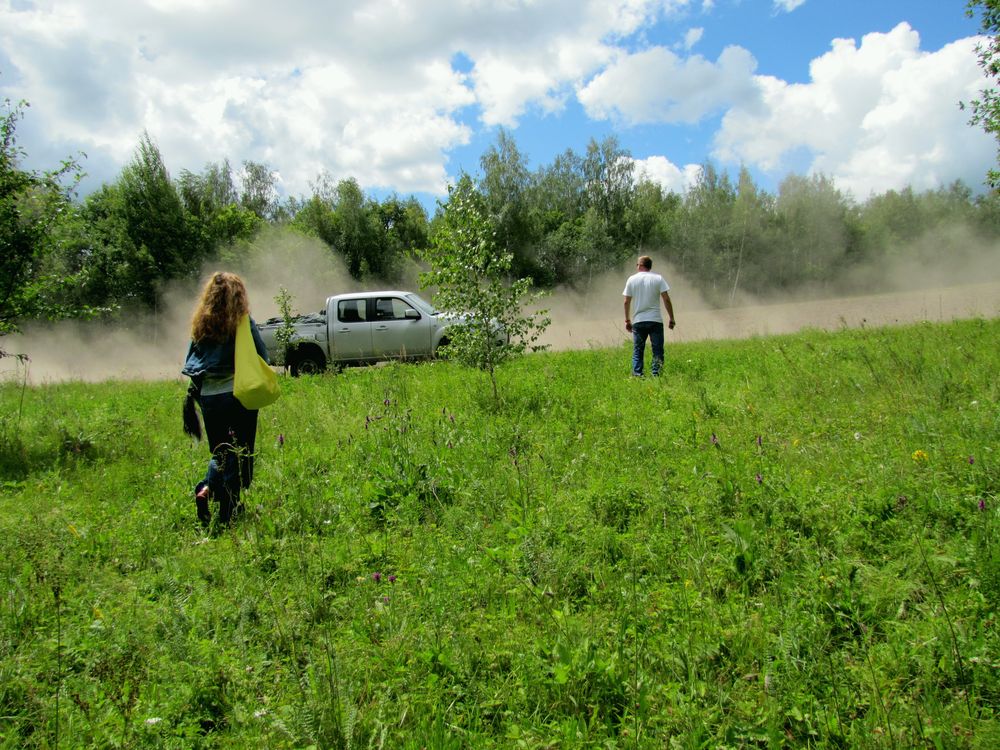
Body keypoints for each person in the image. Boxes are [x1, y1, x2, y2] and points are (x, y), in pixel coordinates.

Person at [182, 272, 269, 528]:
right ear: (238, 295)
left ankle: (206, 489)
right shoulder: (242, 321)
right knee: (240, 453)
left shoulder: (201, 323)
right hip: (237, 395)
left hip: (208, 397)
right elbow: (262, 354)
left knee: (220, 451)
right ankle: (229, 513)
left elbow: (193, 362)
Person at [622, 255, 675, 377]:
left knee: (638, 351)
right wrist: (671, 318)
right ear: (649, 266)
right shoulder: (658, 278)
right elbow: (666, 299)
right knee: (657, 350)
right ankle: (656, 375)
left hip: (638, 321)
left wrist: (627, 320)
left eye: (637, 264)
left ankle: (637, 375)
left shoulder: (631, 279)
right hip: (655, 320)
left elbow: (626, 301)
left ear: (640, 266)